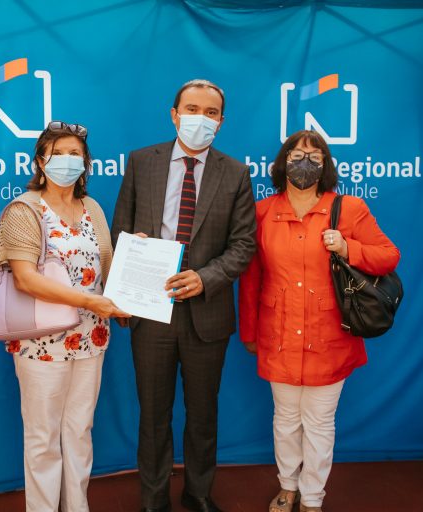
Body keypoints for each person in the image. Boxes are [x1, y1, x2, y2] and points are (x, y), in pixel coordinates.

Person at [111, 79, 257, 512]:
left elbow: (243, 244)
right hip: (149, 310)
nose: (200, 119)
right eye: (192, 109)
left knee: (203, 414)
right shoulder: (142, 162)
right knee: (153, 415)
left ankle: (198, 493)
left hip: (207, 314)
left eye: (210, 113)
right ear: (174, 115)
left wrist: (206, 278)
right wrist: (126, 277)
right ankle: (154, 499)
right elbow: (120, 230)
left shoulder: (236, 173)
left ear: (221, 122)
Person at [238, 130, 401, 512]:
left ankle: (312, 497)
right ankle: (287, 487)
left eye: (315, 156)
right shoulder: (262, 212)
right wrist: (249, 331)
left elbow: (388, 256)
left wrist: (348, 247)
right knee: (285, 420)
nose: (305, 163)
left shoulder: (349, 209)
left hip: (330, 338)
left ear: (326, 164)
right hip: (278, 334)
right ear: (282, 163)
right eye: (297, 155)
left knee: (319, 422)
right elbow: (251, 279)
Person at [0, 121, 129, 512]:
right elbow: (25, 279)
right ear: (40, 161)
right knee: (42, 438)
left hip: (91, 339)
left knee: (79, 431)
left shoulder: (93, 209)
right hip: (41, 342)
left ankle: (77, 506)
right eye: (57, 154)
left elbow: (107, 267)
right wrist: (90, 302)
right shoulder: (24, 209)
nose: (67, 161)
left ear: (85, 163)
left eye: (75, 154)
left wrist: (129, 279)